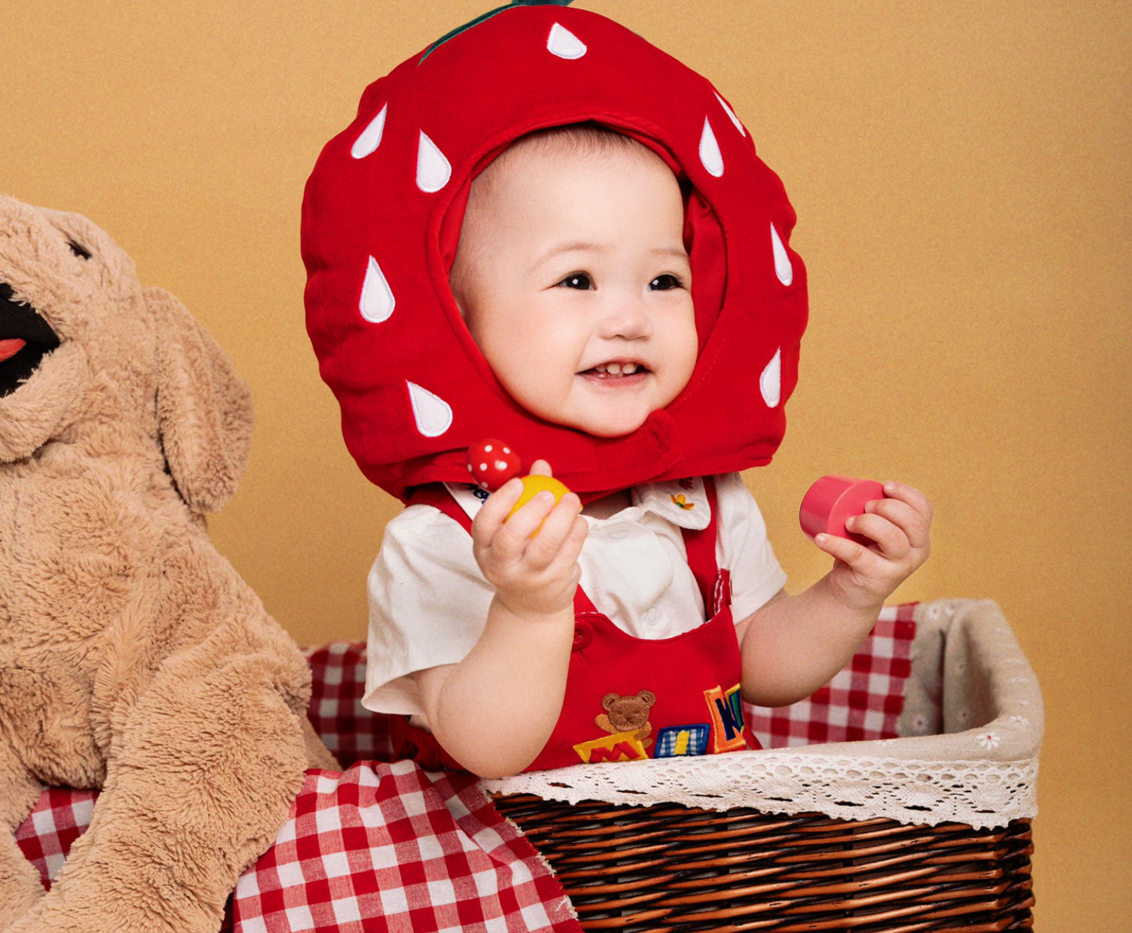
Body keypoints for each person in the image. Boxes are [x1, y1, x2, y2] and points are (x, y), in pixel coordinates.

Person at [302, 3, 932, 779]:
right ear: (458, 321)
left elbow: (761, 666)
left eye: (664, 279)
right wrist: (529, 607)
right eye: (577, 279)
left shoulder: (700, 499)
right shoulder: (448, 532)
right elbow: (487, 747)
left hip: (707, 847)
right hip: (526, 853)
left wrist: (852, 591)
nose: (631, 319)